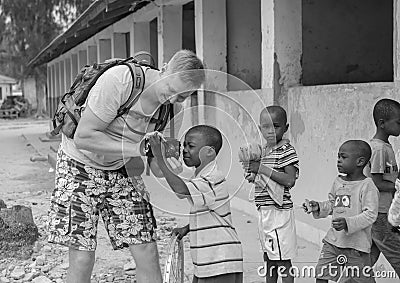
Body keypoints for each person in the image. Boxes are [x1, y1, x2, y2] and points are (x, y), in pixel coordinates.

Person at [47, 49, 205, 283]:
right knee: (83, 257)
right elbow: (84, 137)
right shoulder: (122, 80)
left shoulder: (173, 111)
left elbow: (155, 165)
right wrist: (137, 149)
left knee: (147, 250)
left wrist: (168, 164)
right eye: (172, 90)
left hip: (121, 169)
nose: (173, 99)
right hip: (78, 164)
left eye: (182, 97)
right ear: (164, 68)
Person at [148, 125, 243, 283]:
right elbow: (208, 214)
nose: (184, 150)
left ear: (209, 152)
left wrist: (159, 157)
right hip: (207, 261)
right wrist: (187, 228)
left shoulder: (212, 178)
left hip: (221, 259)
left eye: (190, 146)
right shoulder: (201, 176)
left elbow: (180, 190)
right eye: (184, 145)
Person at [305, 140, 379, 282]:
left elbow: (370, 214)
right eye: (338, 157)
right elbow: (333, 205)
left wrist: (348, 223)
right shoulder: (338, 182)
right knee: (321, 274)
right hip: (333, 242)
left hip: (357, 246)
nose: (338, 160)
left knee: (361, 280)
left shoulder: (367, 186)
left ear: (360, 161)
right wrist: (318, 207)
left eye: (343, 157)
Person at [245, 106, 299, 283]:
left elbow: (289, 180)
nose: (270, 131)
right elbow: (265, 178)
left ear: (286, 127)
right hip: (264, 211)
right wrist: (253, 175)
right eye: (265, 127)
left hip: (279, 212)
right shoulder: (264, 151)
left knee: (282, 260)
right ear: (260, 128)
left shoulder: (286, 151)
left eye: (275, 126)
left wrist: (262, 169)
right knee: (269, 257)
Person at [365, 98, 400, 276]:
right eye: (398, 122)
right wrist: (396, 187)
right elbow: (377, 182)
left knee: (368, 256)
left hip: (382, 210)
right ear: (382, 123)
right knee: (397, 254)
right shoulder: (378, 149)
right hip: (380, 213)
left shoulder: (386, 147)